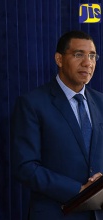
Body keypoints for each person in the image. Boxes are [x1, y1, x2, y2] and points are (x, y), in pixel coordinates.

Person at [11, 30, 103, 219]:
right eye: (79, 55)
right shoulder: (32, 103)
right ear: (59, 59)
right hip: (55, 213)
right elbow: (25, 167)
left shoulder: (101, 102)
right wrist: (79, 190)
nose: (88, 63)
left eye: (92, 56)